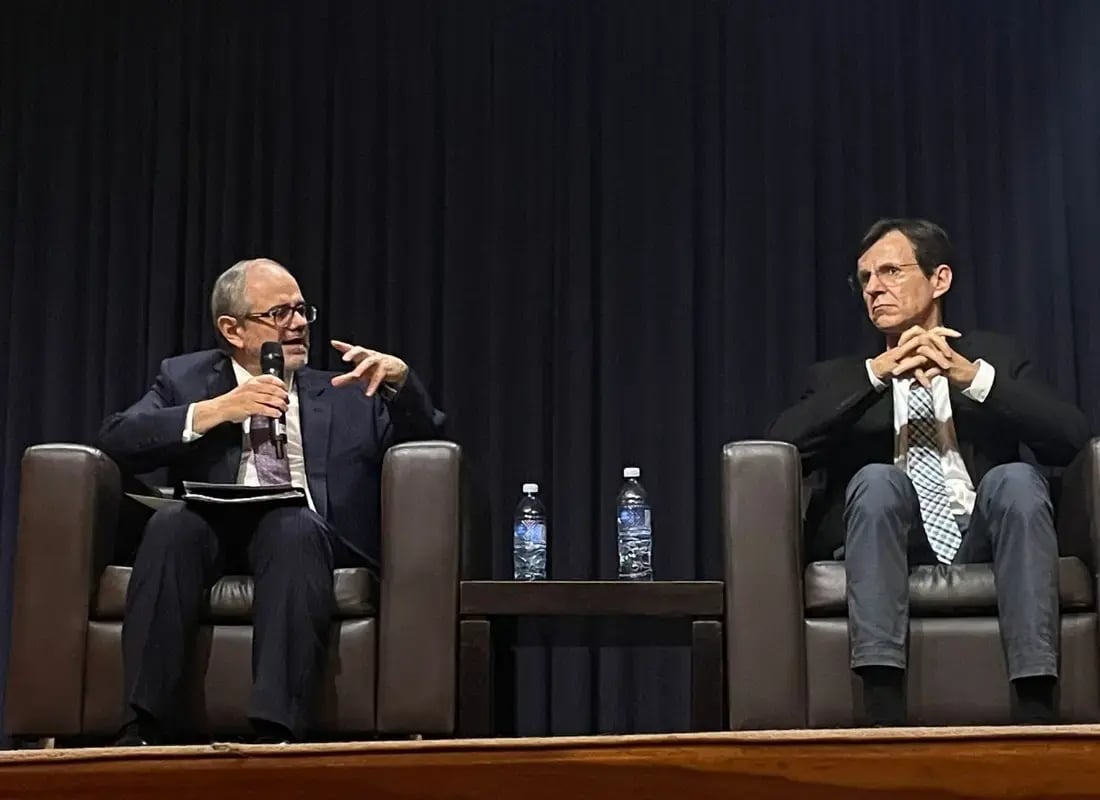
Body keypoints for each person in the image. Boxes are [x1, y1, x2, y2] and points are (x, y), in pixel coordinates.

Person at [97, 258, 443, 744]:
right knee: (174, 525)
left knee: (291, 525)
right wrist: (219, 410)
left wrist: (401, 383)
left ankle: (275, 732)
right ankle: (143, 729)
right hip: (210, 526)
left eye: (302, 310)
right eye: (280, 313)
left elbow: (429, 439)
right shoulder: (186, 379)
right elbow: (117, 437)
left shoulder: (345, 393)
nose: (299, 324)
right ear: (232, 329)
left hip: (305, 534)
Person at [768, 219, 1089, 726]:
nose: (874, 288)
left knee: (1016, 480)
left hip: (983, 537)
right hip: (893, 540)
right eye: (866, 279)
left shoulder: (997, 357)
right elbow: (779, 448)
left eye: (891, 271)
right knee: (878, 481)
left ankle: (1035, 710)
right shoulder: (839, 378)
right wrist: (878, 375)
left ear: (939, 279)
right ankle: (882, 712)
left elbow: (1073, 441)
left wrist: (974, 378)